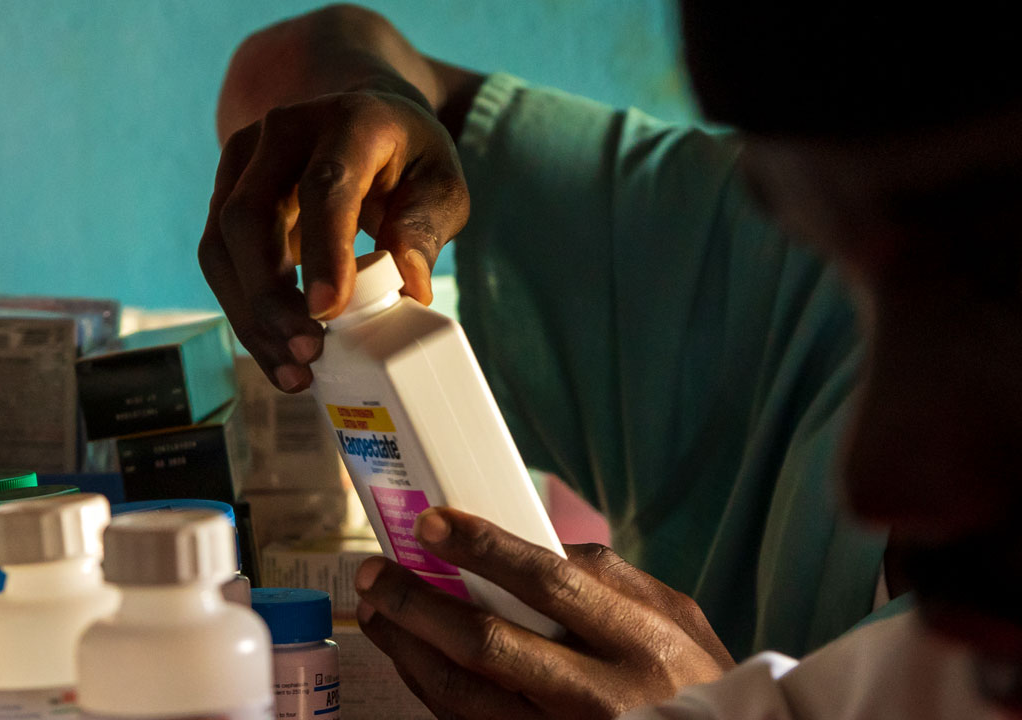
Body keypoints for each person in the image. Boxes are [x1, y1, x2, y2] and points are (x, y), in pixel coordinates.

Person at [201, 3, 1020, 718]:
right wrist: (369, 115)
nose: (869, 478)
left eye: (995, 301)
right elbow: (286, 65)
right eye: (853, 274)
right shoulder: (767, 277)